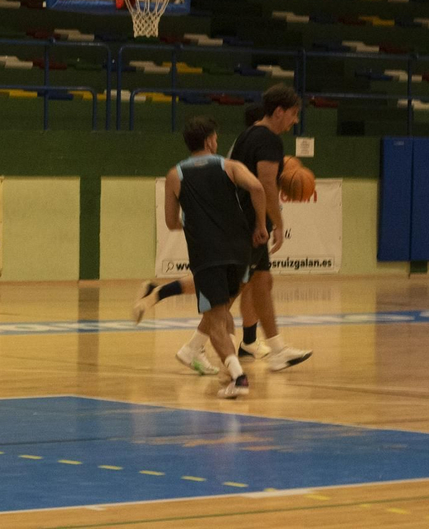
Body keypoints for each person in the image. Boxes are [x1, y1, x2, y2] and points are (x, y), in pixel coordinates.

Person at [134, 90, 313, 373]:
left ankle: (219, 345)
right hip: (247, 228)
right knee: (230, 293)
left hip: (233, 228)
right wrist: (274, 223)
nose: (295, 120)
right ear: (279, 111)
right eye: (293, 113)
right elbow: (264, 185)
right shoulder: (268, 141)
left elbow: (172, 221)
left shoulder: (247, 136)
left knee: (251, 286)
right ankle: (230, 352)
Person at [163, 116, 268, 399]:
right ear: (210, 141)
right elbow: (257, 188)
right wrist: (260, 225)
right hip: (239, 252)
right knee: (222, 317)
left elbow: (171, 222)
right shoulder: (229, 166)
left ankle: (238, 377)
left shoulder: (175, 175)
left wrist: (195, 220)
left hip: (207, 255)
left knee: (216, 319)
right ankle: (219, 366)